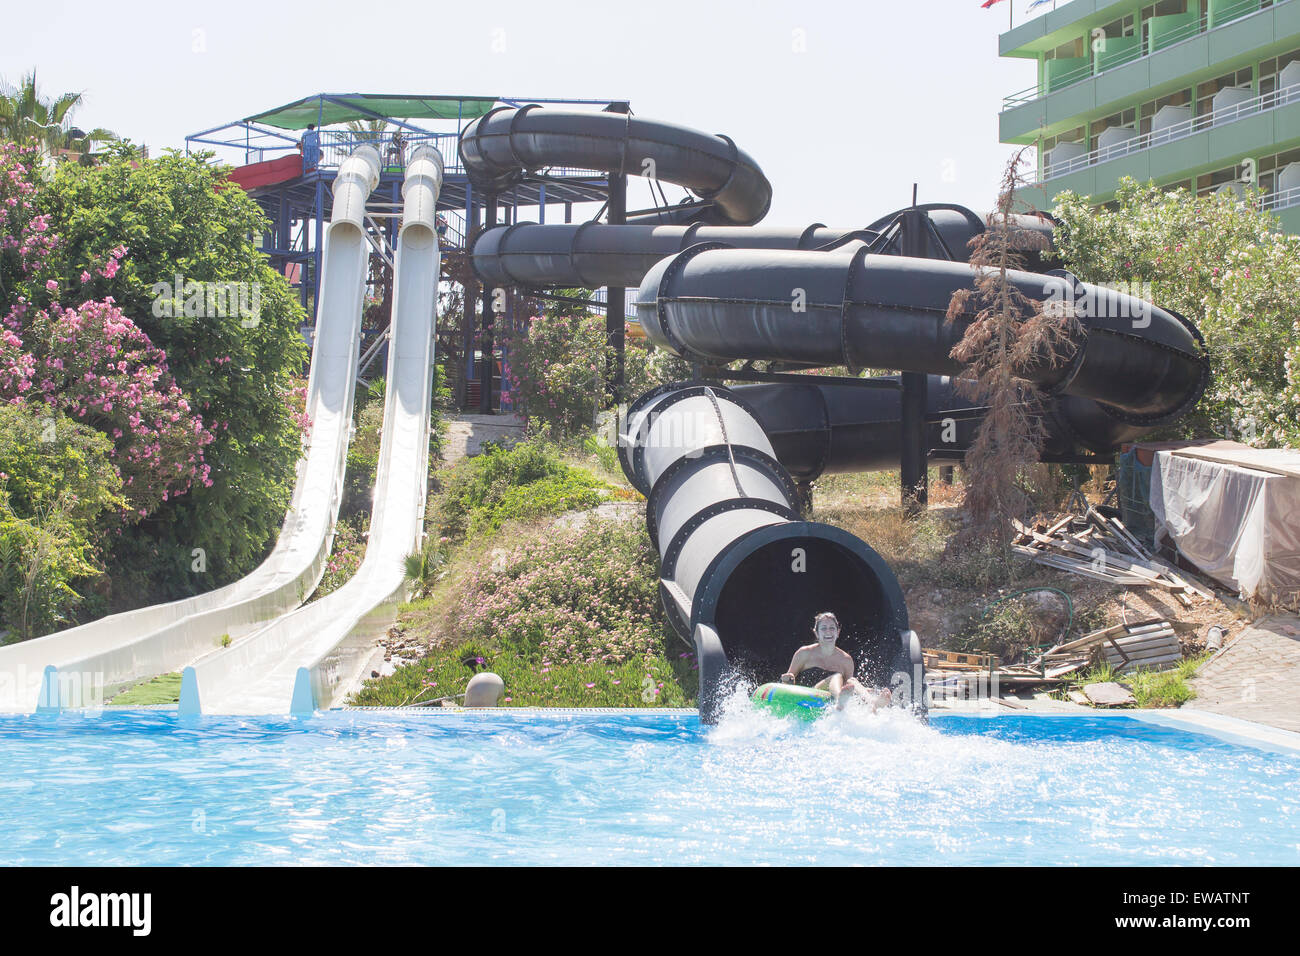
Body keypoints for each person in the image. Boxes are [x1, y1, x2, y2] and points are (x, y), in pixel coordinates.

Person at [780, 611, 892, 712]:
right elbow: (788, 680)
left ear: (838, 632)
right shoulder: (804, 653)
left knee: (852, 680)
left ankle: (872, 702)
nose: (828, 632)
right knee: (836, 676)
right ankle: (840, 701)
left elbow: (848, 687)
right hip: (808, 698)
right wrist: (788, 677)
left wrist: (863, 690)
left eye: (832, 628)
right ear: (816, 633)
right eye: (823, 628)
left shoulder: (846, 660)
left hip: (829, 702)